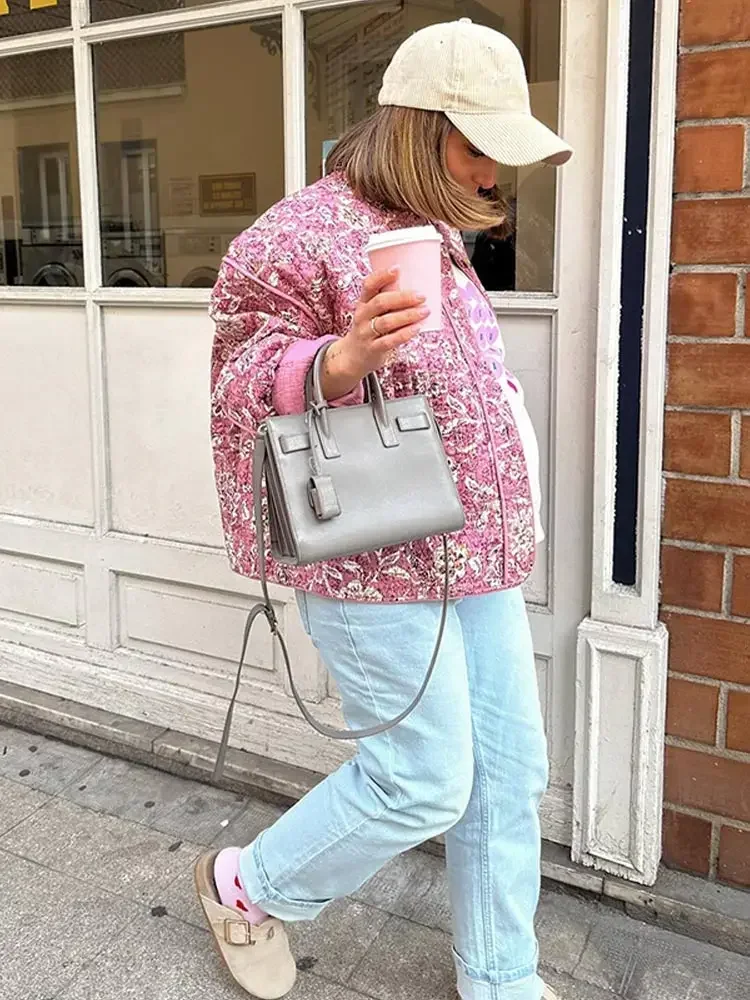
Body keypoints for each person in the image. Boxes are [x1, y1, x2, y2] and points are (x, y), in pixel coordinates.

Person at [199, 18, 572, 1000]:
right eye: (476, 144)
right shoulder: (299, 232)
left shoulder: (432, 231)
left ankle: (503, 976)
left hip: (473, 553)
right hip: (372, 560)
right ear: (417, 127)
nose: (494, 173)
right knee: (424, 777)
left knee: (507, 769)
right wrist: (338, 361)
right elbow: (235, 377)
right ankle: (246, 882)